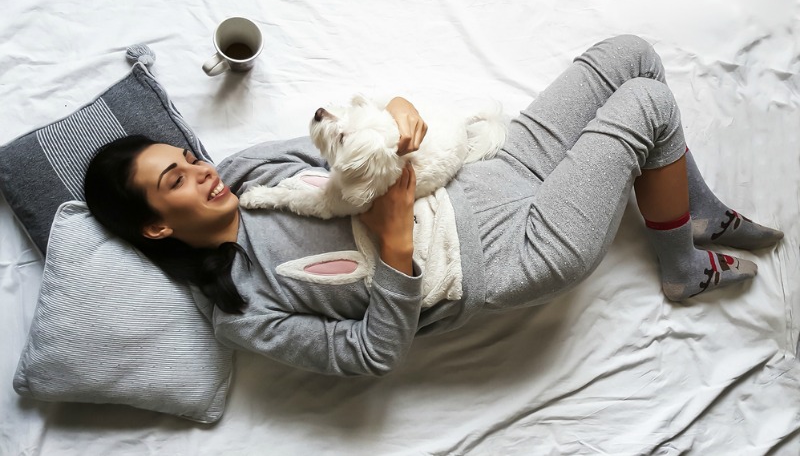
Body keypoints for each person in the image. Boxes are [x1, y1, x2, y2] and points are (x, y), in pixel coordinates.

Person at [84, 35, 783, 377]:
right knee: (650, 105)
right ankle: (680, 263)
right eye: (175, 182)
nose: (199, 173)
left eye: (186, 159)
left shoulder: (243, 170)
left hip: (478, 177)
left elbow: (342, 138)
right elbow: (367, 357)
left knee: (630, 55)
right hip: (505, 258)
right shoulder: (241, 309)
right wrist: (392, 250)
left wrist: (394, 111)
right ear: (157, 223)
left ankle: (689, 213)